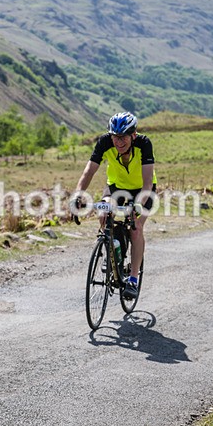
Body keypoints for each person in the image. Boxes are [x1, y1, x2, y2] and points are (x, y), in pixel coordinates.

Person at [70, 112, 156, 301]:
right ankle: (111, 252)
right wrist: (78, 194)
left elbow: (148, 182)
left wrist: (138, 205)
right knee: (104, 212)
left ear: (133, 135)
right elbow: (89, 171)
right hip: (116, 187)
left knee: (136, 228)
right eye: (115, 137)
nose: (118, 141)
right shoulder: (104, 142)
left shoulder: (144, 144)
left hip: (142, 189)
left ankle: (133, 279)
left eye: (123, 137)